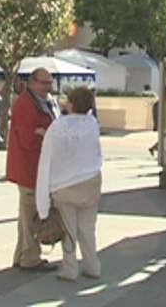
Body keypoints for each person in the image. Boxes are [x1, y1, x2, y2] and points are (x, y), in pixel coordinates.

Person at [36, 86, 103, 281]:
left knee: (69, 229)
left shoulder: (58, 126)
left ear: (71, 103)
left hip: (64, 184)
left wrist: (43, 201)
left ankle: (70, 268)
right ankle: (92, 265)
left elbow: (48, 158)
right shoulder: (92, 123)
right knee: (88, 228)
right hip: (90, 180)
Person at [6, 67, 59, 272]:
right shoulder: (27, 104)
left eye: (50, 83)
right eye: (44, 83)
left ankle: (21, 254)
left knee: (25, 215)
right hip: (30, 168)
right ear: (33, 82)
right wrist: (45, 134)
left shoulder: (42, 101)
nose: (48, 87)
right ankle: (30, 258)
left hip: (36, 167)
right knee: (31, 216)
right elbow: (29, 139)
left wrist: (43, 132)